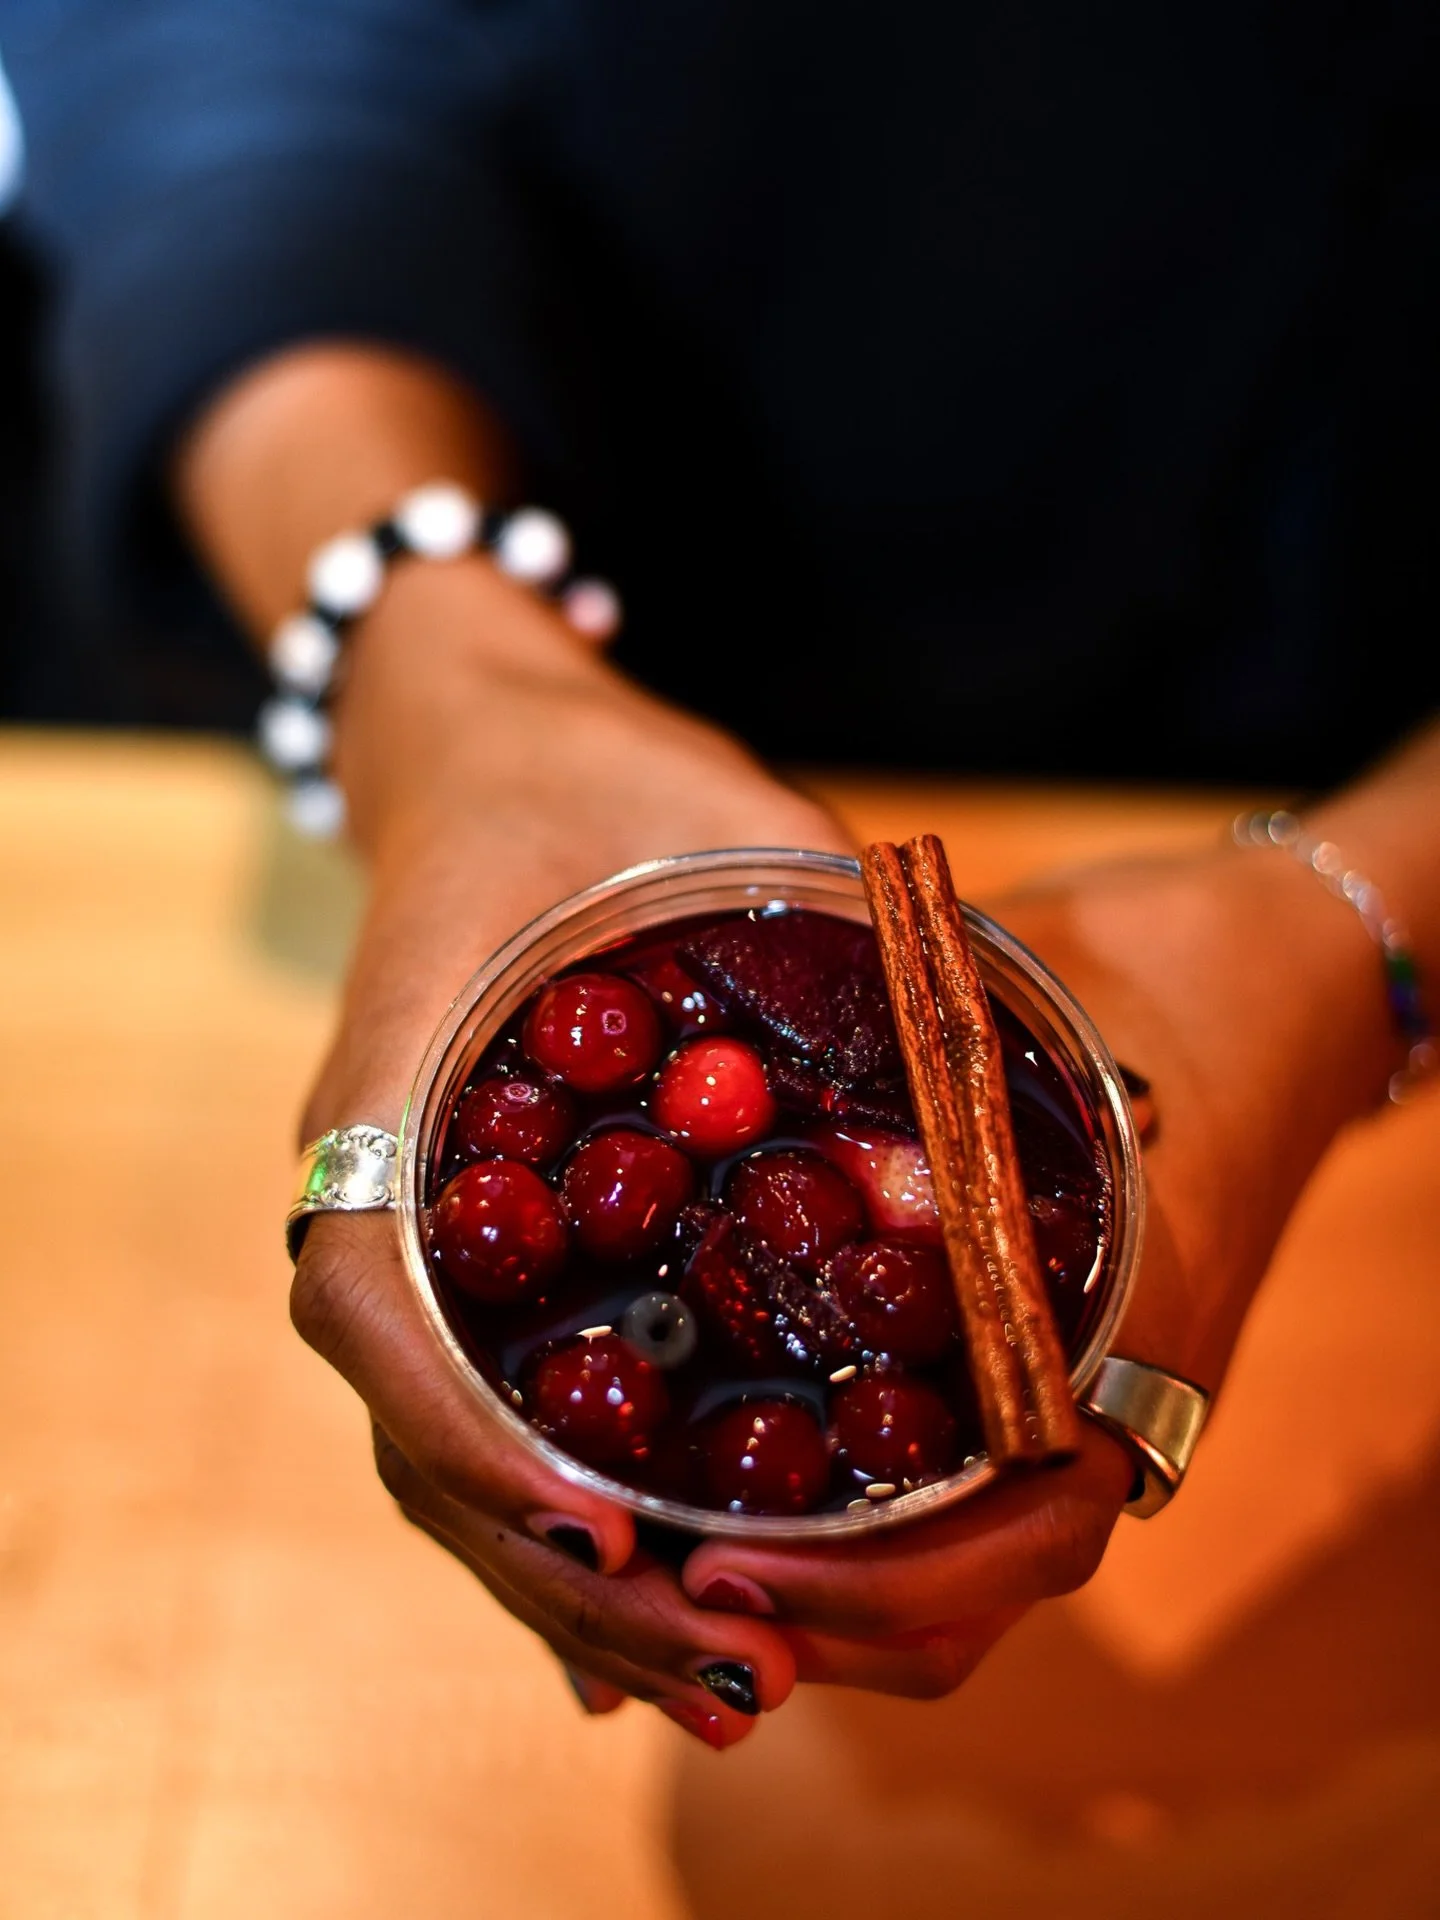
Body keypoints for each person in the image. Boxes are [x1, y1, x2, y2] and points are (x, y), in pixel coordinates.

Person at [1, 1, 1436, 1747]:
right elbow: (210, 56)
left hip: (1289, 622)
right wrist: (430, 654)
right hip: (496, 457)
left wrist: (1360, 924)